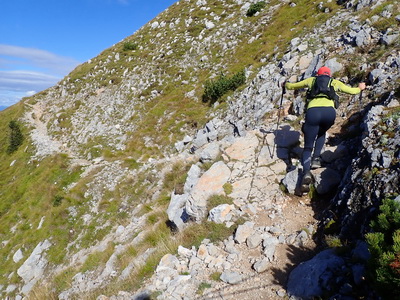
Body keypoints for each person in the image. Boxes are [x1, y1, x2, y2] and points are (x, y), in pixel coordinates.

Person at [285, 66, 366, 192]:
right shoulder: (334, 82)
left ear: (318, 75)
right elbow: (351, 91)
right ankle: (316, 159)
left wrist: (285, 84)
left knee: (307, 146)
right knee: (321, 132)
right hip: (329, 113)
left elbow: (292, 86)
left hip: (313, 112)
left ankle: (306, 172)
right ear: (329, 75)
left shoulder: (311, 80)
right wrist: (360, 88)